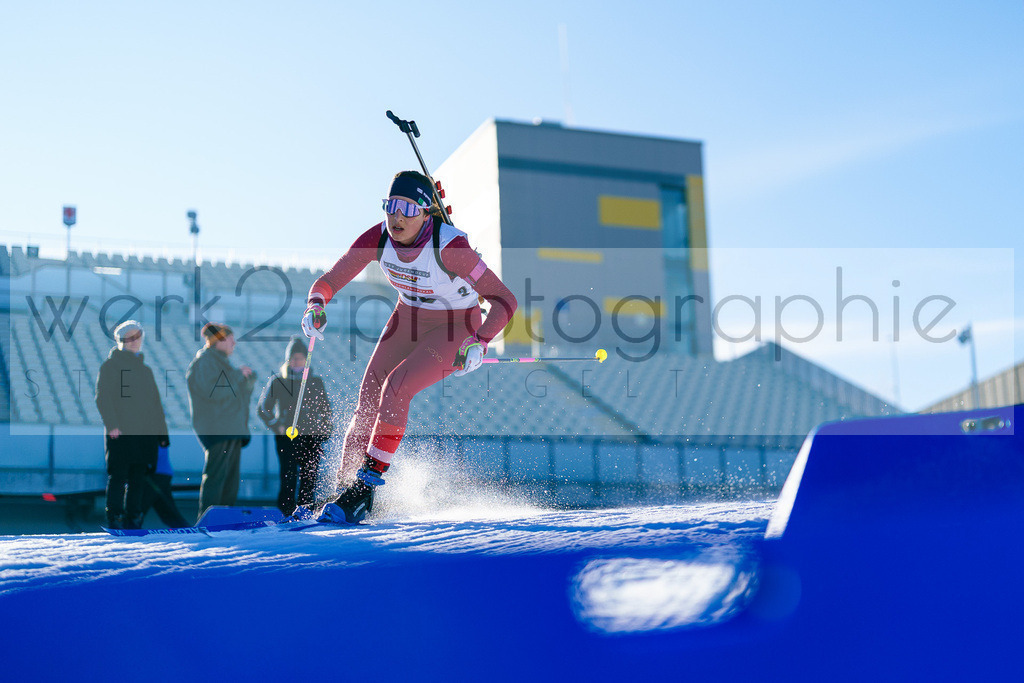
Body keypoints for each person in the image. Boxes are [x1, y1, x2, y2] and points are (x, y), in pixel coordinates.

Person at [299, 170, 518, 523]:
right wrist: (315, 305)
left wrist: (480, 341)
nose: (397, 216)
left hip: (455, 325)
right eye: (391, 206)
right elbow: (330, 279)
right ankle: (344, 488)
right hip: (409, 317)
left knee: (396, 388)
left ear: (427, 211)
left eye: (408, 208)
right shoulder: (379, 237)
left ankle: (365, 489)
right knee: (369, 392)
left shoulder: (451, 248)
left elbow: (505, 300)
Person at [94, 320, 171, 529]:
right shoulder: (110, 366)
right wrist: (112, 425)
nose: (136, 341)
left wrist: (162, 435)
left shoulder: (145, 370)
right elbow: (103, 398)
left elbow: (155, 404)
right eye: (131, 337)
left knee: (139, 477)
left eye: (138, 337)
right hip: (121, 432)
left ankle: (133, 518)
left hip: (144, 433)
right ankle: (115, 517)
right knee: (119, 475)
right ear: (121, 340)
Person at [186, 322, 257, 520]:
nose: (234, 343)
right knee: (217, 478)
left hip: (231, 428)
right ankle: (207, 519)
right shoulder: (206, 362)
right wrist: (238, 375)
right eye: (230, 338)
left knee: (230, 480)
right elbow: (214, 391)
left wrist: (247, 381)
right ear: (217, 340)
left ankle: (224, 520)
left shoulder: (220, 362)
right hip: (218, 428)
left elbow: (234, 395)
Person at [258, 336, 333, 516]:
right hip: (287, 439)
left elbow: (326, 411)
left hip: (311, 437)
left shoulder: (315, 382)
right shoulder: (278, 381)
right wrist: (278, 426)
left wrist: (324, 432)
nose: (297, 361)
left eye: (300, 358)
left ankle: (305, 512)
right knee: (288, 476)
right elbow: (263, 409)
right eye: (293, 358)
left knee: (309, 477)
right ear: (288, 360)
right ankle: (285, 512)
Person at [139, 444, 190, 529]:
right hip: (160, 472)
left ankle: (126, 529)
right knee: (167, 512)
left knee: (137, 509)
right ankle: (187, 530)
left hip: (154, 473)